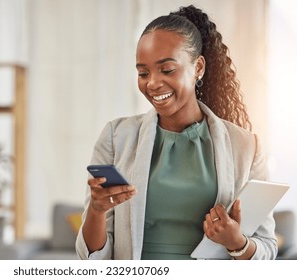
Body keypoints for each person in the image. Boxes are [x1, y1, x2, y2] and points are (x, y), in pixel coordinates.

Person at [75, 5, 277, 260]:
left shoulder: (245, 147)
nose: (152, 83)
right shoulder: (117, 137)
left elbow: (268, 249)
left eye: (167, 70)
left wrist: (236, 243)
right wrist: (96, 210)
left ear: (198, 67)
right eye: (143, 73)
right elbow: (91, 259)